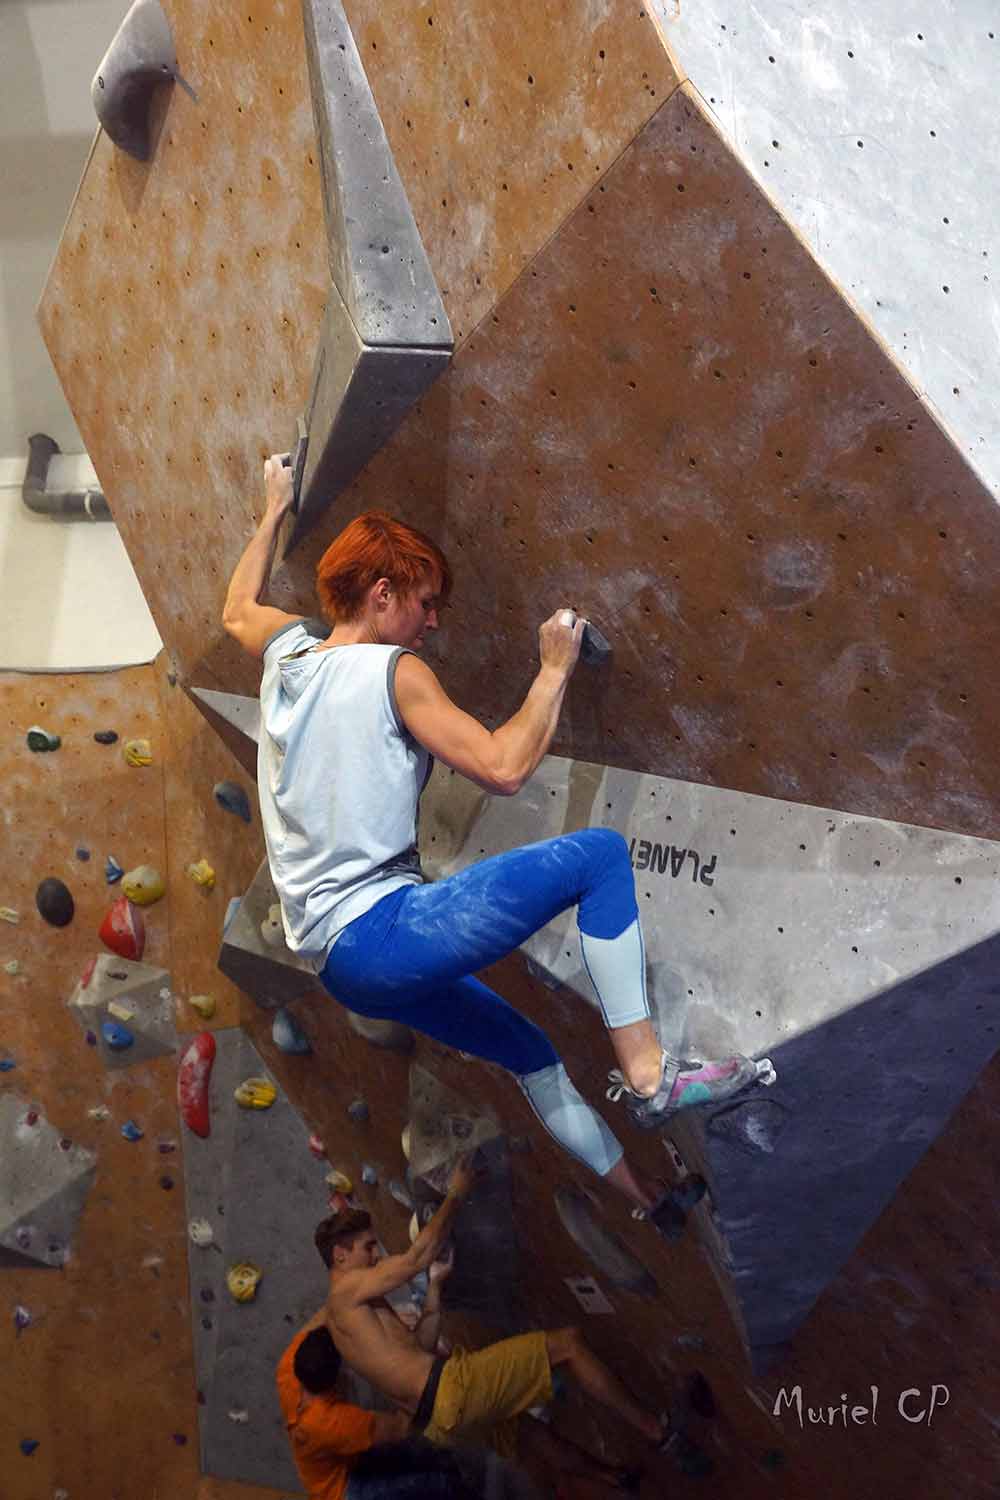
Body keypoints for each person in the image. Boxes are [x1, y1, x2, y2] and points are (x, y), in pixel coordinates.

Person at [223, 457, 761, 1220]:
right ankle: (649, 1077)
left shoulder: (289, 653)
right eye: (425, 602)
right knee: (600, 858)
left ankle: (650, 1202)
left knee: (530, 1053)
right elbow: (503, 767)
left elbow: (236, 610)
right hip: (380, 930)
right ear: (382, 594)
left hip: (338, 968)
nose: (433, 622)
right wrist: (552, 668)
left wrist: (274, 504)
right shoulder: (392, 672)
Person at [315, 1155, 669, 1473]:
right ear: (340, 1255)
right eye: (368, 1247)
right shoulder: (347, 1290)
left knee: (532, 1436)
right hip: (450, 1393)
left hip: (439, 1422)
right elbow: (416, 1258)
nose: (376, 1256)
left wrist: (435, 1286)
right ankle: (657, 1432)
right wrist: (456, 1193)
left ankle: (613, 1480)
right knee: (568, 1344)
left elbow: (418, 1348)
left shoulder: (346, 1320)